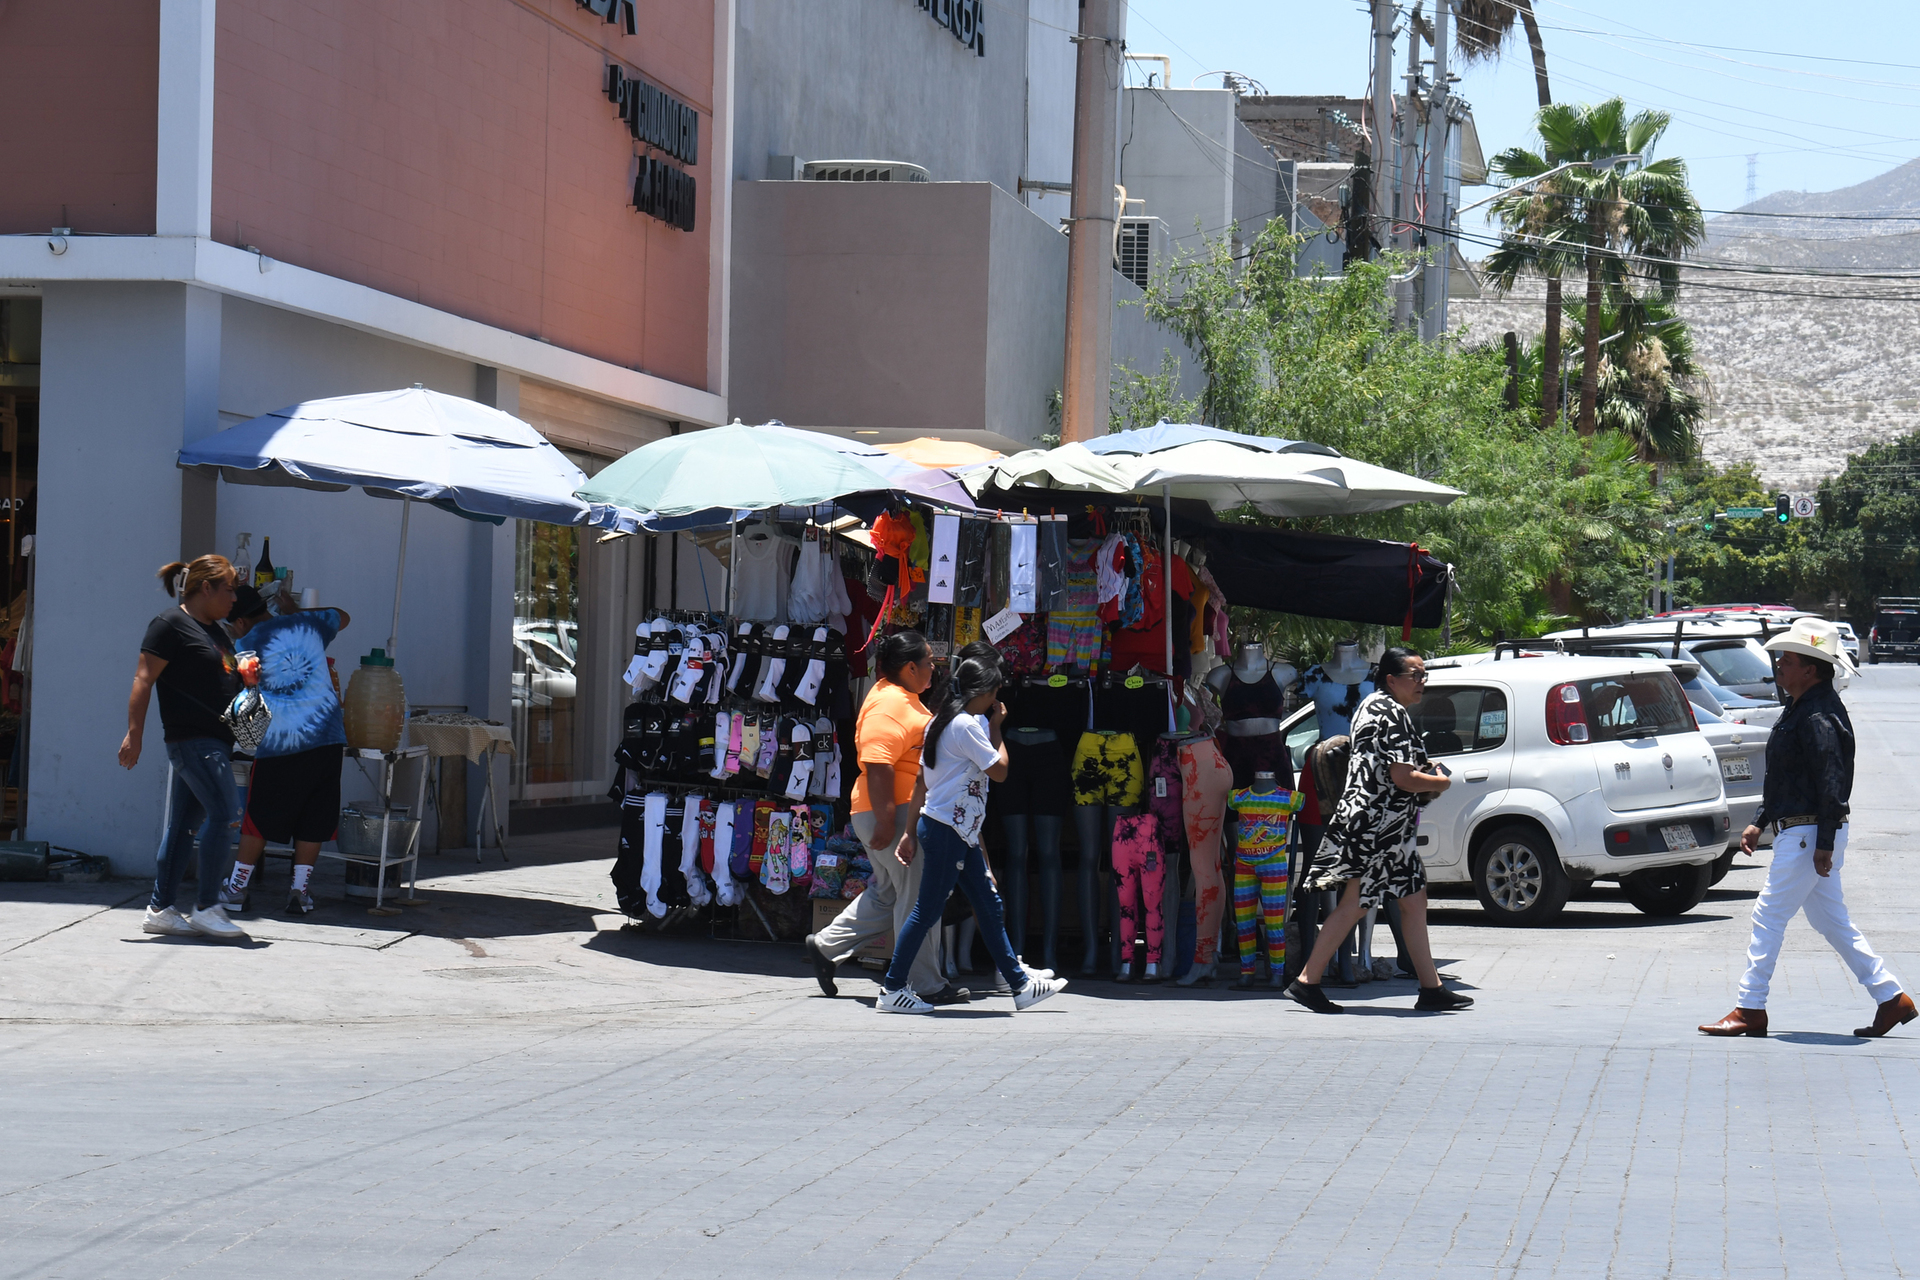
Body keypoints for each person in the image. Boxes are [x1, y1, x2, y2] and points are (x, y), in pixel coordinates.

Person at [1701, 617, 1914, 1039]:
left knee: (1768, 914)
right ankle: (1892, 998)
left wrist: (1825, 842)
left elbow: (1831, 783)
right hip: (1804, 831)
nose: (1778, 665)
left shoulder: (1818, 715)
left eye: (1787, 659)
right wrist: (1759, 822)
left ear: (1811, 669)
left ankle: (1750, 1007)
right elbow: (1785, 777)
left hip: (1809, 832)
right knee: (1831, 921)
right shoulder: (1802, 708)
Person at [875, 656, 1068, 1014]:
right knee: (926, 911)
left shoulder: (941, 721)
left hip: (954, 829)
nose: (996, 698)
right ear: (980, 692)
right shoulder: (965, 726)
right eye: (994, 691)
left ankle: (1020, 985)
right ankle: (891, 989)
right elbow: (1000, 771)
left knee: (989, 905)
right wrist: (997, 729)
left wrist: (909, 832)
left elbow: (921, 782)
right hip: (949, 829)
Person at [1285, 647, 1473, 1014]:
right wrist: (1439, 782)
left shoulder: (1371, 706)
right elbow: (1402, 778)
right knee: (1356, 904)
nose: (1422, 682)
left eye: (1424, 675)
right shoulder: (1392, 713)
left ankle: (1430, 986)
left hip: (1382, 826)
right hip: (1379, 827)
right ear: (1392, 679)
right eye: (1415, 675)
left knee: (1412, 902)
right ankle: (1307, 981)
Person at [803, 632, 968, 1005]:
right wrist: (887, 821)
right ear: (910, 668)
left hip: (889, 814)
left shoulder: (899, 698)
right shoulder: (890, 704)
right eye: (929, 662)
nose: (933, 669)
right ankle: (925, 983)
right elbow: (878, 765)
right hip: (891, 817)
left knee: (888, 893)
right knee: (919, 897)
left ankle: (826, 946)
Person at [123, 556, 247, 941]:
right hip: (194, 740)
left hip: (216, 741)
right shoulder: (170, 625)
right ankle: (208, 905)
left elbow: (223, 678)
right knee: (226, 813)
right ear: (205, 588)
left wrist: (246, 674)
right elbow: (143, 679)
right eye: (228, 589)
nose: (234, 598)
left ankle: (160, 910)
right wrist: (135, 734)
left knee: (183, 827)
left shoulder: (218, 632)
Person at [217, 600, 352, 915]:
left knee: (258, 820)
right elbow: (344, 616)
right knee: (314, 818)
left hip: (280, 742)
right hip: (327, 739)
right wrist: (298, 611)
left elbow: (238, 690)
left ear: (239, 622)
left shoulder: (245, 643)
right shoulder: (313, 625)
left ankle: (236, 889)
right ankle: (299, 891)